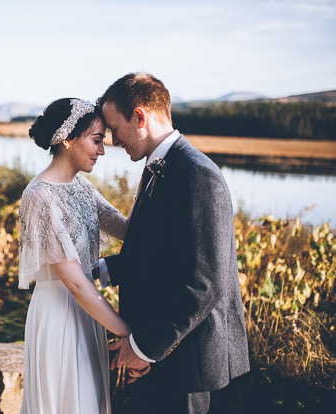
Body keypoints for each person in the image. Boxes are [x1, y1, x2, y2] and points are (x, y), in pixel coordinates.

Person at [96, 72, 251, 413]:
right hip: (167, 349)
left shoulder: (196, 174)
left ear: (140, 117)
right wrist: (100, 271)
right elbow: (162, 255)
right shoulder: (161, 167)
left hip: (189, 360)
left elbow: (203, 283)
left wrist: (142, 347)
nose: (113, 141)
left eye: (115, 129)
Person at [18, 98, 132, 414]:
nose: (102, 150)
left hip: (88, 313)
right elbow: (76, 283)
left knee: (89, 401)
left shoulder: (82, 186)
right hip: (58, 314)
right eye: (96, 140)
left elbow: (125, 229)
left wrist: (151, 176)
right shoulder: (39, 196)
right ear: (68, 140)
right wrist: (129, 335)